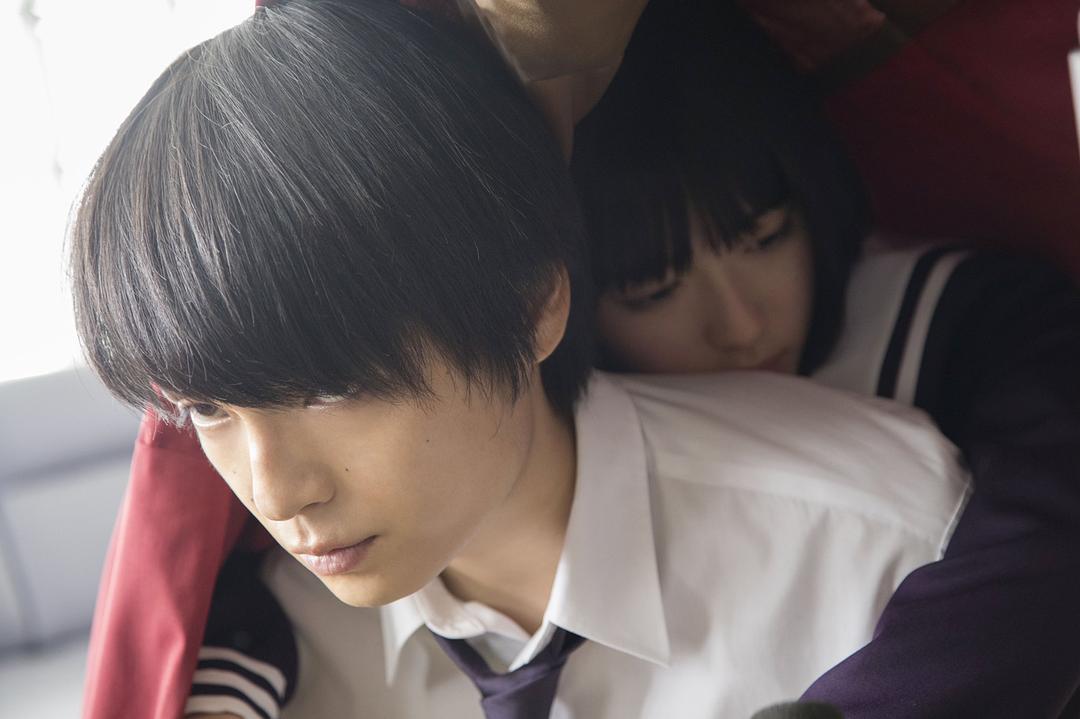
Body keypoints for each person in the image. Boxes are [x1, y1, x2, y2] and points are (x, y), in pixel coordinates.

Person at [70, 1, 970, 717]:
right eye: (210, 408)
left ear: (535, 299)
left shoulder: (878, 549)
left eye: (332, 386)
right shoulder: (256, 660)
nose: (276, 494)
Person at [570, 2, 1080, 716]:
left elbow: (1046, 554)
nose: (742, 324)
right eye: (654, 293)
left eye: (766, 238)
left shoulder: (984, 320)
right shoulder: (566, 445)